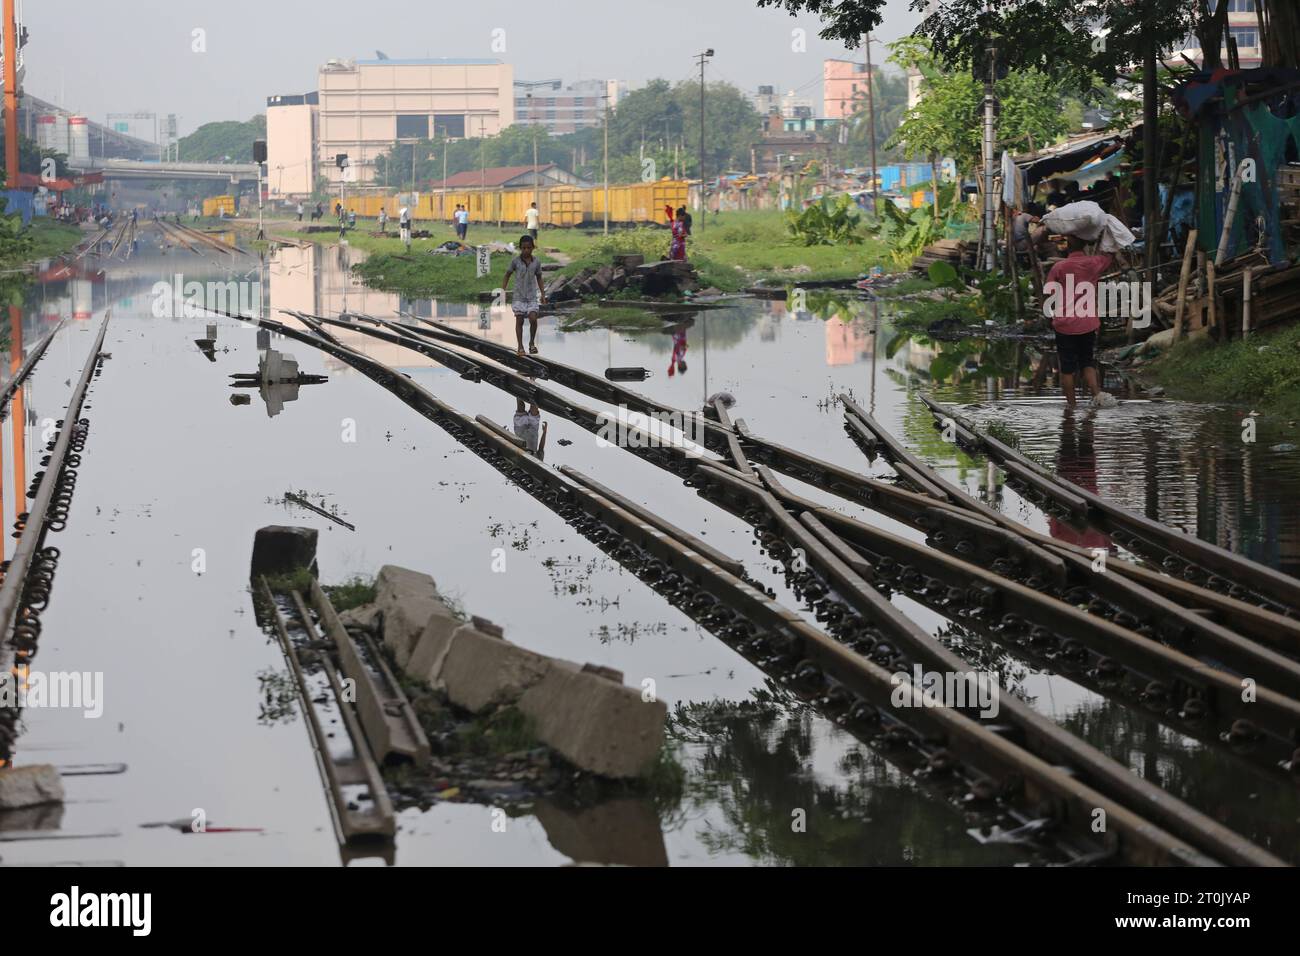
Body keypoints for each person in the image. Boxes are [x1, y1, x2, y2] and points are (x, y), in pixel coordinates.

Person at [1043, 234, 1118, 409]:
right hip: (1087, 322)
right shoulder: (1094, 263)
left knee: (1067, 367)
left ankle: (1071, 406)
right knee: (1087, 361)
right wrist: (1101, 238)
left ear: (1067, 248)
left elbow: (1049, 293)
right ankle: (1096, 396)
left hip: (1064, 324)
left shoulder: (1059, 267)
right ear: (1084, 245)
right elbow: (1110, 256)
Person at [503, 233, 546, 355]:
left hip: (531, 296)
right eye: (523, 248)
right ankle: (520, 346)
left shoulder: (536, 262)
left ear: (533, 247)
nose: (526, 250)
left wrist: (543, 294)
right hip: (519, 296)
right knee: (520, 320)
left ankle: (532, 343)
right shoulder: (515, 261)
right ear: (520, 248)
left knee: (533, 318)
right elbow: (507, 275)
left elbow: (539, 278)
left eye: (528, 248)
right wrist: (503, 290)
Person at [512, 395, 548, 460]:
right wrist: (544, 432)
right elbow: (541, 448)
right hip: (533, 433)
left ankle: (519, 389)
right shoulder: (539, 463)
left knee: (521, 406)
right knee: (534, 409)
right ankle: (535, 393)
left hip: (520, 432)